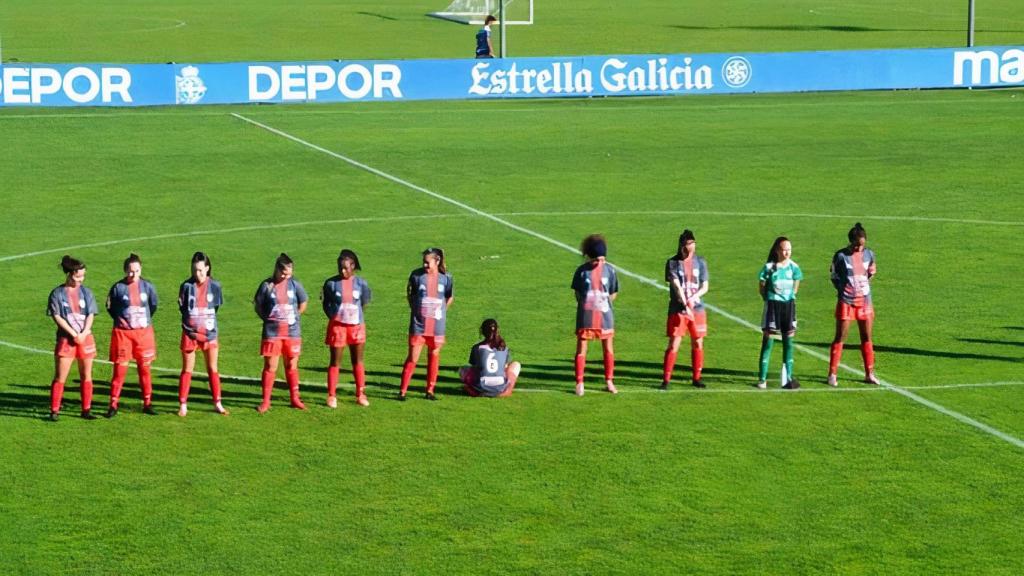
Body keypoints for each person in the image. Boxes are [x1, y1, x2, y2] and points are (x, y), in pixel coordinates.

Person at [253, 253, 308, 413]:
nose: (286, 276)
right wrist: (267, 319)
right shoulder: (266, 286)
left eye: (289, 273)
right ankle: (266, 401)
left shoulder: (295, 284)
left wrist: (295, 316)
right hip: (272, 333)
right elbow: (258, 305)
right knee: (271, 366)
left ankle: (295, 398)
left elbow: (303, 302)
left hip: (292, 332)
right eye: (283, 273)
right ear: (276, 269)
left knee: (291, 365)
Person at [106, 253, 159, 417]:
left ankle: (147, 403)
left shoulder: (148, 286)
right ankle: (113, 404)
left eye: (136, 271)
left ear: (141, 269)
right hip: (123, 335)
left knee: (145, 370)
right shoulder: (117, 288)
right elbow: (111, 308)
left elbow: (153, 305)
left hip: (144, 335)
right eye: (130, 271)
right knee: (119, 371)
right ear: (124, 270)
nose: (133, 274)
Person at [46, 256, 99, 421]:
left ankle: (86, 410)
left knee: (87, 375)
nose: (80, 280)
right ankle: (54, 410)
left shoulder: (87, 292)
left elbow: (91, 314)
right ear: (68, 275)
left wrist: (84, 333)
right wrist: (73, 334)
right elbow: (56, 316)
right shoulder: (57, 293)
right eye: (77, 277)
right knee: (60, 376)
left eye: (83, 276)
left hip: (86, 338)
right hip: (66, 340)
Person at [177, 251, 228, 417]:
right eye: (194, 270)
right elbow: (183, 309)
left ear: (207, 268)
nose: (197, 274)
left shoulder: (215, 286)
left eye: (200, 270)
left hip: (209, 334)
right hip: (190, 334)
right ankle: (183, 404)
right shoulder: (186, 286)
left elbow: (216, 308)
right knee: (187, 369)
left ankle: (217, 403)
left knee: (212, 368)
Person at [827, 223, 879, 386]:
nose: (859, 247)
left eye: (862, 244)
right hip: (847, 301)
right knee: (841, 336)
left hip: (865, 301)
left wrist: (863, 287)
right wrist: (844, 290)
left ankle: (869, 373)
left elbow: (871, 272)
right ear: (850, 241)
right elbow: (834, 276)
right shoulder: (841, 256)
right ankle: (832, 374)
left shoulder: (869, 254)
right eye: (857, 244)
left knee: (867, 337)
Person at [399, 247, 453, 401]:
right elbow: (410, 295)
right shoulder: (416, 276)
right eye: (424, 262)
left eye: (427, 262)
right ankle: (402, 391)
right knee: (413, 358)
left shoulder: (446, 278)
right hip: (419, 326)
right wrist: (416, 310)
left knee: (434, 356)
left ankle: (430, 390)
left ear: (437, 261)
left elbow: (449, 297)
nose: (425, 265)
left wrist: (441, 312)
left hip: (437, 326)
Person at [322, 249, 372, 408]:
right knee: (335, 361)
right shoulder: (330, 284)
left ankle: (360, 394)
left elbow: (364, 302)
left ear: (353, 266)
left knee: (357, 360)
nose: (342, 271)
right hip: (338, 328)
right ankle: (331, 395)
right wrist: (334, 316)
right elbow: (326, 303)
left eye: (345, 268)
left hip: (357, 327)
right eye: (340, 268)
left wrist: (355, 317)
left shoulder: (361, 283)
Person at [571, 234, 619, 396]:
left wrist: (603, 304)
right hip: (586, 316)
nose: (599, 263)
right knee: (582, 348)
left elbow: (613, 293)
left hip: (605, 316)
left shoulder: (610, 271)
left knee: (608, 348)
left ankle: (609, 381)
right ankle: (579, 382)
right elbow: (577, 294)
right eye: (596, 259)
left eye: (602, 259)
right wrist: (588, 304)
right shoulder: (581, 272)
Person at [661, 230, 709, 390]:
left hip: (697, 309)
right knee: (674, 343)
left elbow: (705, 286)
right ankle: (666, 380)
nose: (691, 247)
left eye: (693, 243)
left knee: (697, 342)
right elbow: (675, 285)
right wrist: (684, 303)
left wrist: (694, 298)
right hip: (679, 310)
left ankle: (697, 378)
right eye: (688, 244)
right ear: (682, 246)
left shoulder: (700, 262)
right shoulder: (673, 263)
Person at [757, 237, 802, 390]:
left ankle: (788, 377)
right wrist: (768, 299)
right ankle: (762, 379)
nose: (787, 252)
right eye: (784, 249)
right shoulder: (769, 267)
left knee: (788, 343)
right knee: (768, 342)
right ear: (777, 251)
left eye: (789, 249)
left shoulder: (794, 267)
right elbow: (762, 286)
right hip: (773, 307)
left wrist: (791, 296)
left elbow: (796, 283)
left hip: (788, 307)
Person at [460, 318, 521, 397]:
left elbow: (474, 366)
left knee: (463, 369)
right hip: (500, 387)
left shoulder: (477, 347)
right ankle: (508, 390)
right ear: (497, 330)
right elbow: (505, 367)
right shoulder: (504, 347)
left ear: (482, 331)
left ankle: (475, 391)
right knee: (516, 364)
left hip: (482, 386)